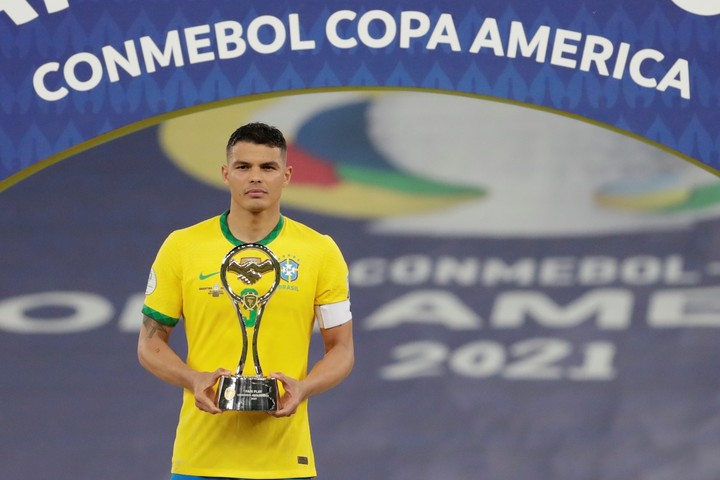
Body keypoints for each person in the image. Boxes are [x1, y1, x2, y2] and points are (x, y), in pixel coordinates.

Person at [137, 122, 354, 479]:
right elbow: (149, 342)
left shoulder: (320, 251)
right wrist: (192, 379)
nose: (256, 177)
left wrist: (305, 388)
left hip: (286, 463)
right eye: (243, 167)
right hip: (199, 461)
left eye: (267, 168)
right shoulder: (182, 247)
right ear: (226, 174)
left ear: (286, 175)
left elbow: (342, 348)